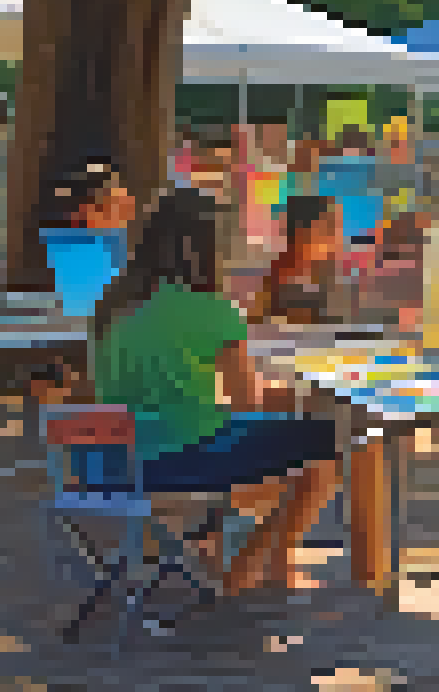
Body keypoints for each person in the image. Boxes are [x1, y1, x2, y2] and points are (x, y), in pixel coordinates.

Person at [86, 188, 339, 595]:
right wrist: (287, 395)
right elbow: (247, 404)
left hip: (115, 464)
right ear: (206, 250)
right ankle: (247, 570)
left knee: (245, 442)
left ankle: (211, 549)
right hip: (185, 462)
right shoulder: (214, 311)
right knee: (322, 451)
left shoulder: (111, 308)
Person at [254, 195, 347, 325]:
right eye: (329, 229)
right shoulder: (273, 284)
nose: (337, 240)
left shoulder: (324, 279)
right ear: (301, 233)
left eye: (338, 230)